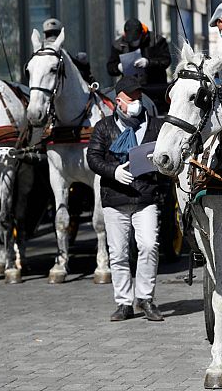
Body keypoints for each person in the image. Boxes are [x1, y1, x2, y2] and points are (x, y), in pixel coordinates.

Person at [86, 76, 169, 322]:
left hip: (146, 198)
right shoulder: (103, 128)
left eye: (138, 98)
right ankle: (123, 302)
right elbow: (93, 158)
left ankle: (145, 298)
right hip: (115, 199)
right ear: (117, 102)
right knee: (119, 253)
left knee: (148, 246)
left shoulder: (155, 126)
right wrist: (114, 171)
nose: (135, 103)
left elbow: (168, 156)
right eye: (130, 99)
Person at [107, 18, 171, 111]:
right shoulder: (118, 45)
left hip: (154, 87)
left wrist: (148, 62)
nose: (133, 43)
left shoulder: (156, 40)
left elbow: (166, 60)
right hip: (131, 89)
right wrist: (118, 67)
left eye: (135, 40)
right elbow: (110, 67)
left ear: (142, 33)